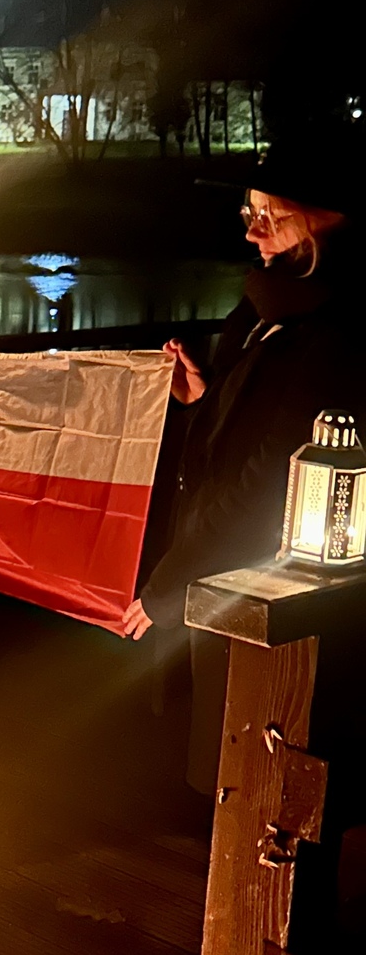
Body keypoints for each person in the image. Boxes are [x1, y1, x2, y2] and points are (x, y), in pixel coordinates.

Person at [121, 137, 363, 786]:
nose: (254, 231)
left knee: (248, 767)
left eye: (272, 216)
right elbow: (246, 434)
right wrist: (205, 395)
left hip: (260, 586)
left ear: (329, 220)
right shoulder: (260, 312)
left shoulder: (332, 334)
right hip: (221, 573)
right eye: (248, 214)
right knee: (220, 756)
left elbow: (266, 478)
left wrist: (175, 581)